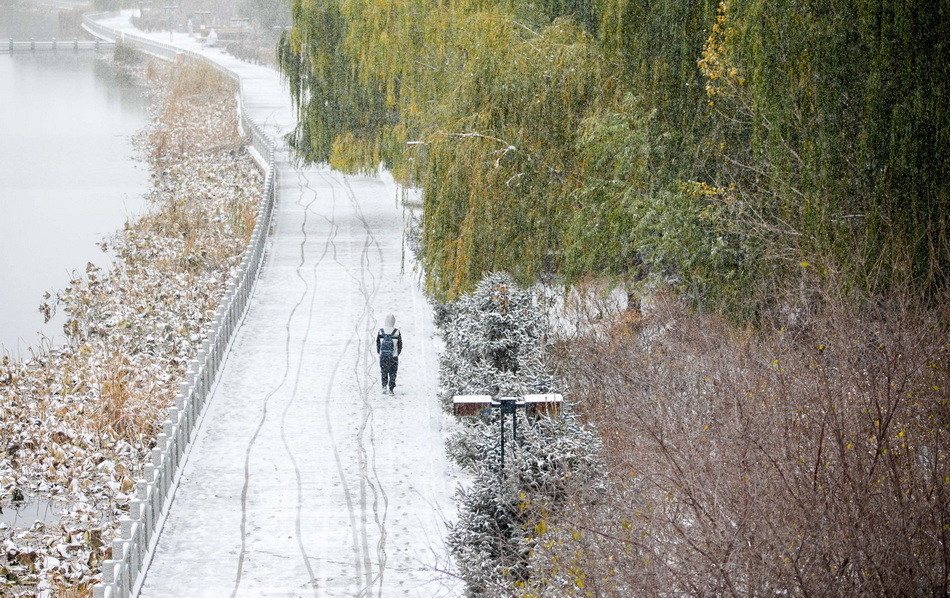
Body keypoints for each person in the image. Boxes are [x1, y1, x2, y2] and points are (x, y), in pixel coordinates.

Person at [376, 314, 402, 395]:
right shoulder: (397, 332)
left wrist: (380, 352)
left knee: (384, 371)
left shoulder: (381, 331)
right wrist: (397, 353)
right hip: (393, 356)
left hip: (383, 356)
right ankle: (391, 389)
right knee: (393, 372)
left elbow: (377, 344)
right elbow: (400, 345)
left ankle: (384, 386)